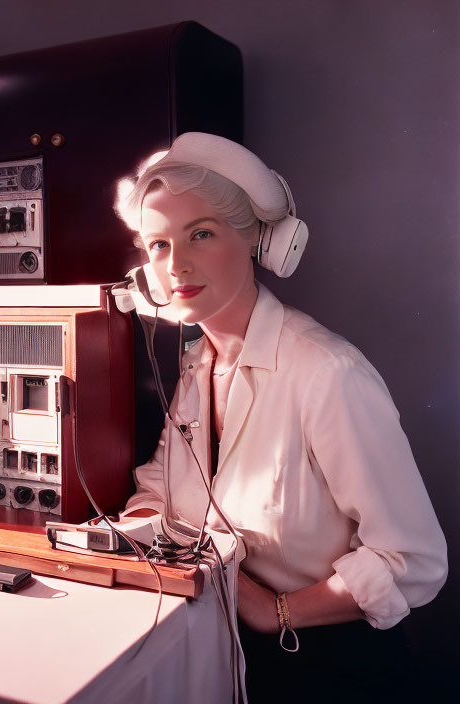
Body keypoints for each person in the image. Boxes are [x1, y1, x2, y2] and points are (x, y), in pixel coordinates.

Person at [113, 133, 447, 703]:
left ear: (261, 244)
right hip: (228, 655)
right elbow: (158, 487)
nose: (177, 264)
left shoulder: (327, 372)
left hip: (332, 671)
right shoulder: (198, 366)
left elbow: (413, 560)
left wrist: (274, 611)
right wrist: (140, 531)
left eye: (202, 233)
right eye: (159, 245)